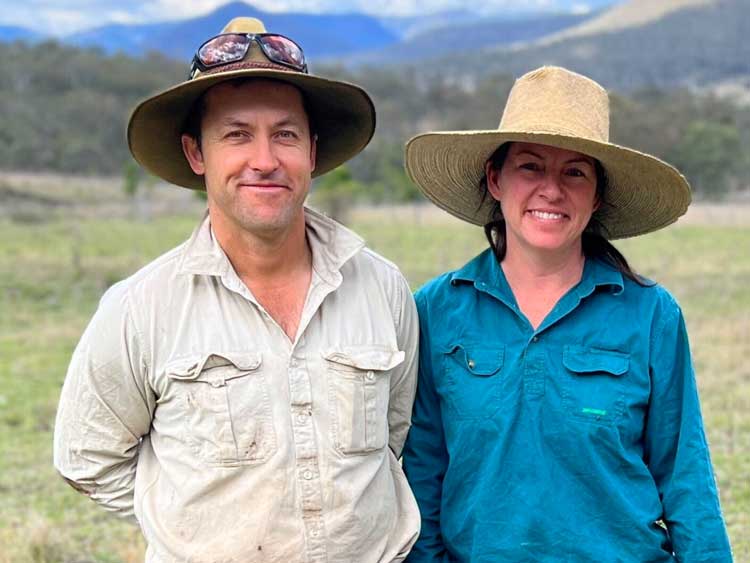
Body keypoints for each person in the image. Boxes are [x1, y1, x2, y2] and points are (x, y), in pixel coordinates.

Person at [53, 17, 420, 562]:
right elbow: (88, 456)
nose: (265, 160)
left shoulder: (383, 287)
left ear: (312, 153)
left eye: (285, 134)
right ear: (197, 153)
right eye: (237, 134)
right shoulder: (141, 306)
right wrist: (190, 523)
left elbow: (395, 437)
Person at [401, 66, 733, 562]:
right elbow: (421, 475)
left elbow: (684, 474)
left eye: (574, 172)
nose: (551, 190)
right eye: (530, 167)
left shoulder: (651, 315)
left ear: (596, 194)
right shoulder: (437, 309)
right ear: (496, 179)